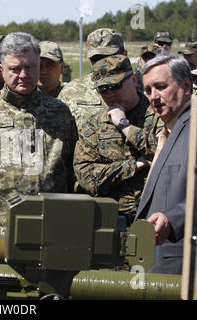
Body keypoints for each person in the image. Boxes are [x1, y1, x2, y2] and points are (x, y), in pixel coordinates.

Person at [0, 32, 78, 239]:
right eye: (15, 69)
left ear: (39, 66)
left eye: (30, 67)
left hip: (48, 234)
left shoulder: (61, 113)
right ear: (2, 70)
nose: (23, 75)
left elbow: (72, 172)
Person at [73, 55, 161, 225]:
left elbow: (164, 152)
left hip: (153, 218)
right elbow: (87, 177)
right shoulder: (93, 126)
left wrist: (124, 126)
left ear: (134, 79)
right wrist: (136, 165)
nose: (110, 93)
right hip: (107, 220)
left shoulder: (158, 114)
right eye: (103, 89)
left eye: (116, 86)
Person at [134, 54, 193, 274]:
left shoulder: (194, 129)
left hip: (180, 268)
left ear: (186, 86)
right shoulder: (169, 131)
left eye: (160, 87)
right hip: (155, 265)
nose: (153, 97)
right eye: (148, 90)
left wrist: (173, 218)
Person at [58, 28, 127, 131]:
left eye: (110, 57)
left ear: (124, 54)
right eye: (96, 59)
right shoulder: (71, 92)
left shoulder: (142, 88)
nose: (103, 64)